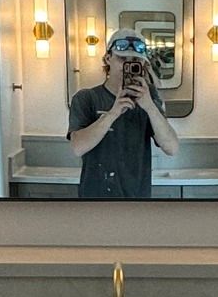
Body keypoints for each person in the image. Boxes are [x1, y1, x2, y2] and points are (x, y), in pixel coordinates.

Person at [66, 28, 180, 199]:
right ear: (108, 58)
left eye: (135, 60)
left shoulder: (149, 100)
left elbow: (171, 148)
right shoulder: (86, 98)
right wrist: (113, 113)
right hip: (95, 200)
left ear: (142, 65)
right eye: (122, 59)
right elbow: (77, 148)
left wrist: (149, 106)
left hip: (136, 200)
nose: (128, 65)